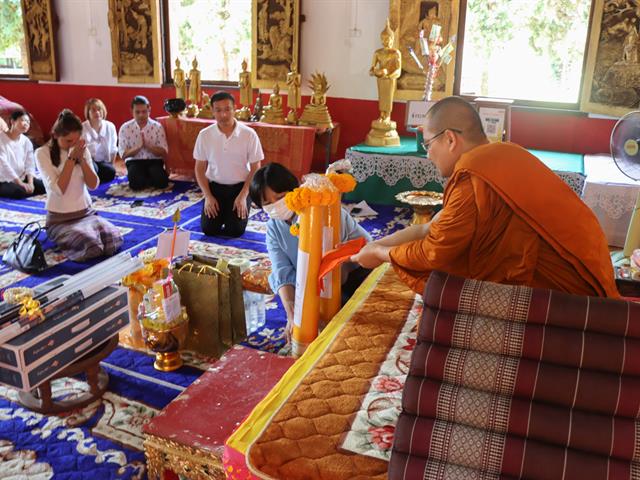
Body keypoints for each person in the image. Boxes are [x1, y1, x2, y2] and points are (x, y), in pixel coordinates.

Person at [351, 96, 618, 298]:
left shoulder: (473, 177)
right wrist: (373, 246)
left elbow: (433, 253)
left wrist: (381, 254)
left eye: (428, 144)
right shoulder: (503, 154)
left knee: (446, 283)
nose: (428, 154)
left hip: (571, 294)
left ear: (451, 140)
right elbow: (429, 228)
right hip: (593, 270)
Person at [250, 162, 372, 343]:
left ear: (295, 190)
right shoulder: (274, 227)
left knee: (342, 325)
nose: (276, 206)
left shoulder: (322, 211)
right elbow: (281, 270)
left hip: (352, 271)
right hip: (312, 282)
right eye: (267, 203)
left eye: (281, 197)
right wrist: (292, 311)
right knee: (305, 325)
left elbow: (337, 265)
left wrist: (310, 309)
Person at [36, 110, 123, 262]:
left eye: (76, 141)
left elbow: (93, 185)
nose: (73, 145)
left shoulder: (82, 150)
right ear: (56, 135)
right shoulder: (42, 153)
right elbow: (59, 189)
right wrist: (71, 160)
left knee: (113, 239)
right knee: (91, 246)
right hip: (60, 220)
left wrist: (82, 160)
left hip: (86, 213)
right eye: (69, 141)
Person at [194, 91, 263, 238]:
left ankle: (233, 212)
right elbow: (200, 168)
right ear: (212, 111)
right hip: (215, 188)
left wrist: (244, 195)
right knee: (209, 230)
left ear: (235, 109)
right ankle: (222, 211)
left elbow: (256, 167)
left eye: (227, 109)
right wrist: (208, 196)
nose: (223, 115)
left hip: (240, 187)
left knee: (235, 231)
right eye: (218, 110)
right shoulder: (204, 135)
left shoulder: (249, 134)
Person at [118, 95, 169, 190]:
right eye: (137, 112)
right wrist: (138, 147)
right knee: (136, 185)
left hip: (154, 160)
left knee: (162, 183)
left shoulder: (157, 127)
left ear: (149, 110)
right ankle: (146, 177)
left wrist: (148, 146)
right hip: (134, 161)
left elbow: (164, 151)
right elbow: (123, 155)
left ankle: (148, 177)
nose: (141, 115)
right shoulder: (125, 128)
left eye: (144, 112)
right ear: (131, 111)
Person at [0, 110, 45, 199]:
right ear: (12, 121)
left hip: (21, 177)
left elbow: (30, 164)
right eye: (23, 120)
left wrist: (30, 183)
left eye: (28, 122)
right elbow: (3, 165)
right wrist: (20, 183)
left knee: (45, 187)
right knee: (19, 192)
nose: (26, 124)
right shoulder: (1, 139)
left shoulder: (26, 141)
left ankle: (23, 187)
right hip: (4, 180)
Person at [81, 98, 117, 184]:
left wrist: (111, 165)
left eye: (99, 109)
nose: (97, 112)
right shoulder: (83, 128)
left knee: (111, 172)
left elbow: (113, 149)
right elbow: (81, 153)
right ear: (88, 113)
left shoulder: (110, 126)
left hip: (103, 162)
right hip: (88, 161)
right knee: (94, 169)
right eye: (93, 110)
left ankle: (93, 179)